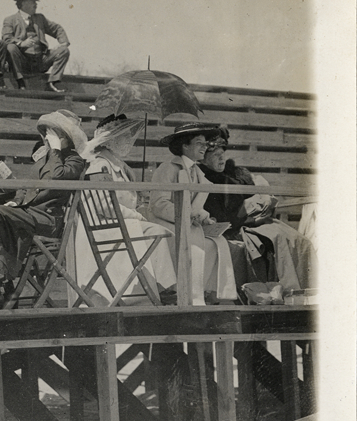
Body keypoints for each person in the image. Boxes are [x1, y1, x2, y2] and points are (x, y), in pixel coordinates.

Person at [0, 110, 91, 304]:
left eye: (52, 135)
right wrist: (16, 202)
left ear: (64, 137)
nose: (47, 138)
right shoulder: (44, 158)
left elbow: (54, 178)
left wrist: (55, 150)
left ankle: (1, 276)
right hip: (29, 214)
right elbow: (27, 187)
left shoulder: (75, 160)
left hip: (48, 220)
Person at [71, 114, 176, 305]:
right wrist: (137, 216)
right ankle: (162, 287)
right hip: (103, 227)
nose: (129, 141)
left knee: (165, 232)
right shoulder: (99, 164)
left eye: (130, 136)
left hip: (121, 223)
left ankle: (158, 288)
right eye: (124, 137)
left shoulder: (121, 167)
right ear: (111, 140)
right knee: (158, 233)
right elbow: (103, 205)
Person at [199, 131, 313, 295]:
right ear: (204, 158)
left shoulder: (236, 174)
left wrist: (264, 199)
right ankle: (289, 289)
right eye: (216, 155)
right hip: (237, 227)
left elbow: (256, 191)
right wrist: (245, 211)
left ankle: (305, 290)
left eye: (222, 154)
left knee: (297, 239)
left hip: (258, 221)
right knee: (278, 238)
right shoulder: (203, 178)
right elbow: (219, 216)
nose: (221, 158)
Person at [147, 124, 238, 305]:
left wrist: (204, 217)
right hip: (166, 225)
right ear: (185, 146)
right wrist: (187, 216)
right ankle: (177, 292)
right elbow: (159, 203)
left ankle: (202, 292)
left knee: (217, 243)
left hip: (187, 225)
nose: (204, 147)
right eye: (199, 143)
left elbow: (193, 204)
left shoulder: (197, 172)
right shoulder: (168, 168)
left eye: (205, 143)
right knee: (195, 245)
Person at [1, 0, 70, 93]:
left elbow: (57, 29)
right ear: (24, 3)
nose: (36, 5)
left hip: (40, 61)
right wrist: (21, 43)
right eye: (33, 2)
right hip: (22, 61)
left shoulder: (40, 18)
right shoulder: (10, 19)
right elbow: (6, 38)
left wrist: (63, 43)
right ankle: (20, 82)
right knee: (11, 47)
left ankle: (52, 83)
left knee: (64, 50)